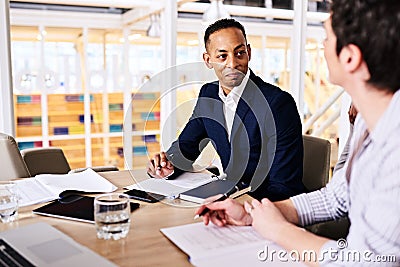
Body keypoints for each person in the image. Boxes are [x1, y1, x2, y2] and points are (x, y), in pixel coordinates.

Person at [196, 1, 400, 265]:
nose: (322, 46)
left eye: (327, 38)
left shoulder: (394, 152)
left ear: (350, 57)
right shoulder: (366, 121)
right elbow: (336, 197)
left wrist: (279, 230)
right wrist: (252, 213)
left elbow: (365, 263)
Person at [147, 18, 305, 200]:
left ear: (249, 53)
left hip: (266, 207)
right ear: (208, 60)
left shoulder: (278, 104)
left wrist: (238, 206)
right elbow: (186, 148)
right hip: (229, 199)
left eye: (239, 53)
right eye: (222, 56)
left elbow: (284, 186)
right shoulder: (209, 95)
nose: (233, 63)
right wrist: (167, 165)